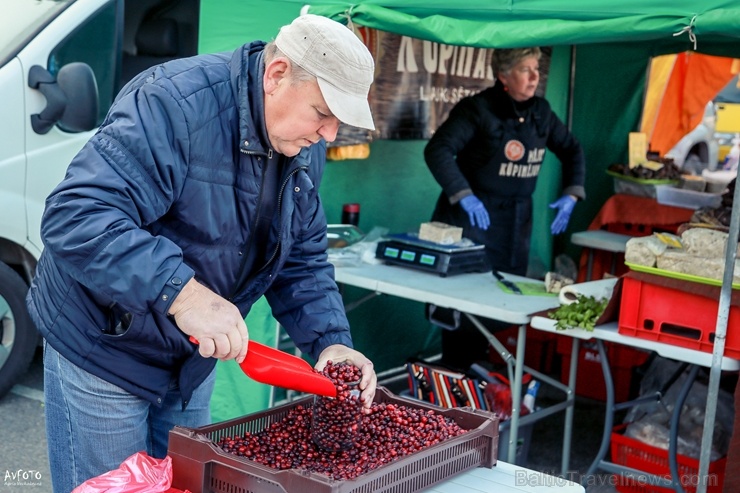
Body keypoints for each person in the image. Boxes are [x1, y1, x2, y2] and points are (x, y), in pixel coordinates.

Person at [26, 14, 378, 493]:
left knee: (188, 484)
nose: (331, 134)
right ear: (276, 75)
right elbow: (76, 216)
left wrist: (330, 341)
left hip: (191, 360)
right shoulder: (172, 102)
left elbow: (302, 257)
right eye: (323, 112)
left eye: (341, 120)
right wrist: (186, 296)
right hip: (105, 345)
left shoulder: (302, 141)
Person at [424, 47, 586, 369]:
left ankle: (486, 382)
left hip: (514, 223)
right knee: (464, 308)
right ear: (503, 75)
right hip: (471, 220)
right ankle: (455, 379)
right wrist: (463, 194)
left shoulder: (541, 111)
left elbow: (571, 149)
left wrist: (571, 193)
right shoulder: (477, 109)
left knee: (502, 301)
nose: (535, 76)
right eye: (525, 69)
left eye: (536, 68)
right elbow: (438, 149)